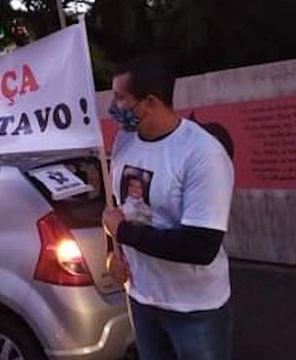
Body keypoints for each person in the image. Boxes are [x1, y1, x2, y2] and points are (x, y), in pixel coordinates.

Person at [103, 54, 235, 360]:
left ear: (150, 102)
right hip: (141, 299)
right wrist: (114, 251)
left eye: (120, 97)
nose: (113, 106)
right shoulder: (124, 142)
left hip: (195, 310)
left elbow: (200, 247)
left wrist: (122, 233)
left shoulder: (202, 153)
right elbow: (119, 211)